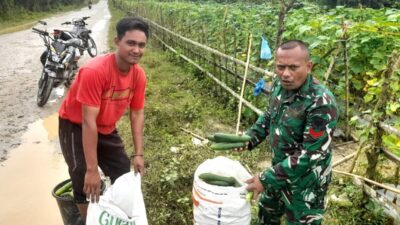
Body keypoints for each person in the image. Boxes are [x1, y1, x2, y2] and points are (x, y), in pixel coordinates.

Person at [58, 17, 149, 221]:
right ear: (117, 42)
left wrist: (139, 153)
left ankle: (114, 213)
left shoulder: (139, 76)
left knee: (121, 168)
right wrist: (92, 169)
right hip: (75, 125)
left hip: (106, 126)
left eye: (141, 45)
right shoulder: (95, 71)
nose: (136, 50)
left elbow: (137, 113)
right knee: (82, 174)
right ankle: (87, 218)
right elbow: (88, 121)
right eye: (131, 43)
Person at [244, 40, 339, 224]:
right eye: (280, 67)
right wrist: (251, 137)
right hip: (280, 169)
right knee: (267, 212)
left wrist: (264, 179)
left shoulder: (321, 102)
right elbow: (269, 115)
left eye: (293, 67)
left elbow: (311, 155)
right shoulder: (280, 86)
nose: (285, 74)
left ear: (308, 66)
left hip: (305, 182)